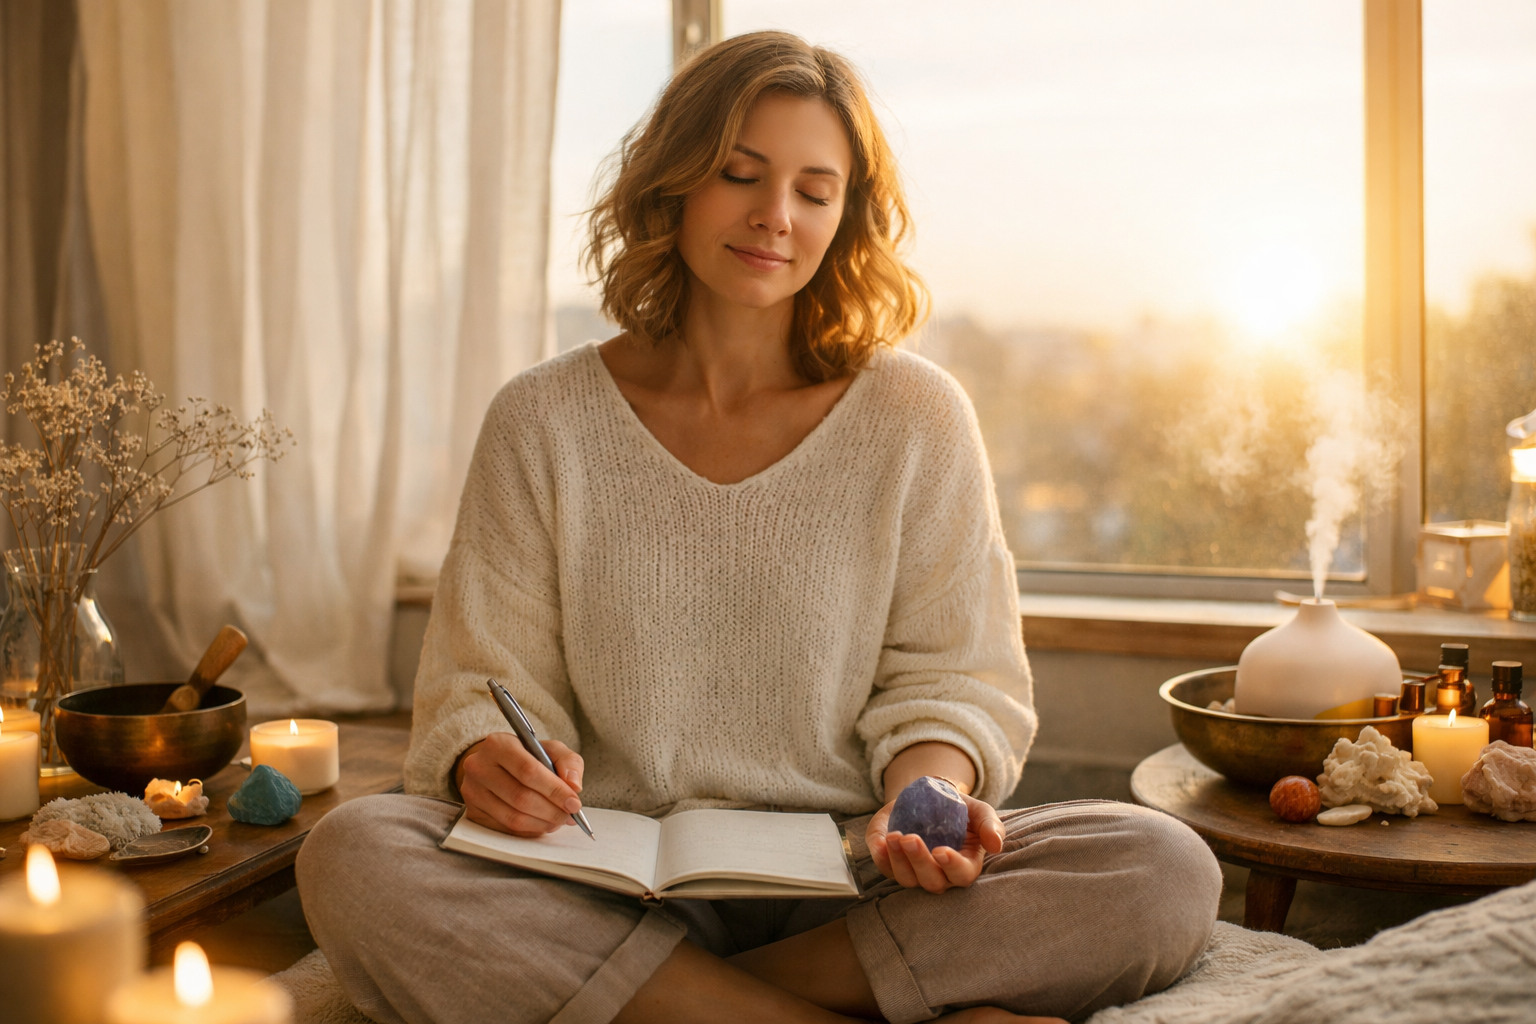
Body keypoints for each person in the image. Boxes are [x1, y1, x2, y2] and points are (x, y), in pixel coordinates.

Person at [298, 31, 1221, 1024]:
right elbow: (485, 685)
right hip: (605, 885)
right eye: (740, 174)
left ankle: (675, 1009)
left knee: (1160, 865)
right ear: (674, 185)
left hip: (853, 885)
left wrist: (929, 798)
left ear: (847, 216)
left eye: (814, 192)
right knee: (357, 856)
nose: (775, 217)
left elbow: (954, 681)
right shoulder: (542, 419)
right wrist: (491, 756)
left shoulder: (917, 416)